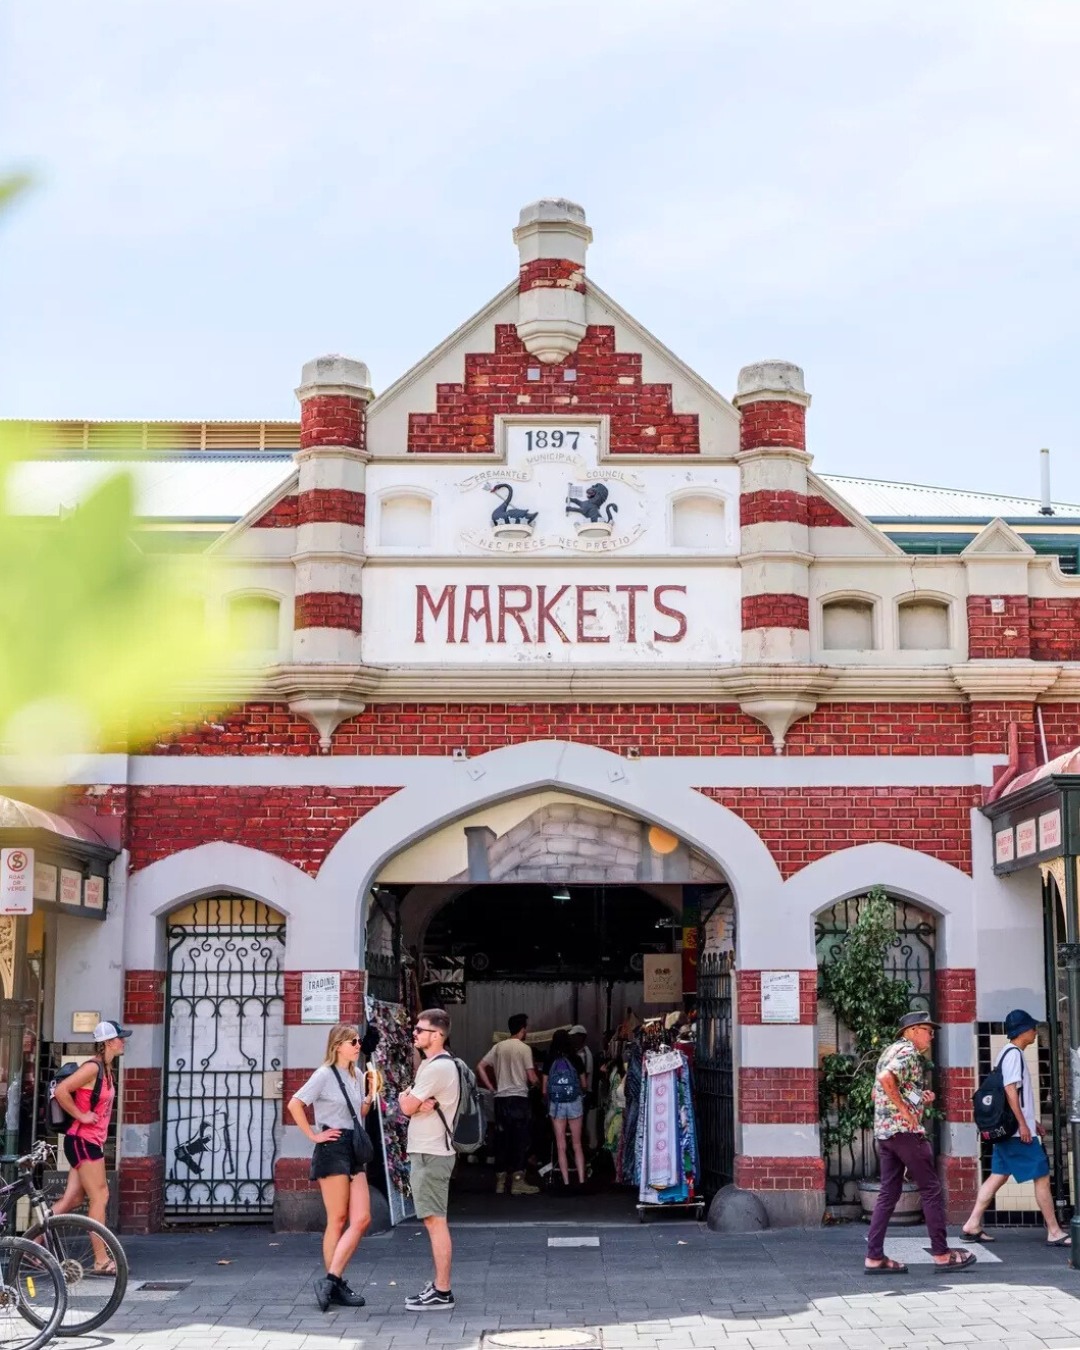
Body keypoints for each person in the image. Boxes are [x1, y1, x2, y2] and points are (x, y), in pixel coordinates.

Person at [864, 1011, 976, 1274]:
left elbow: (878, 1091)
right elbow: (885, 1081)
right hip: (905, 1133)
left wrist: (918, 1097)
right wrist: (906, 1113)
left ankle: (874, 1257)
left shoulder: (890, 1051)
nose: (932, 1035)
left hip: (886, 1133)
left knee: (888, 1193)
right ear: (912, 1030)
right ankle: (941, 1254)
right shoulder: (908, 1052)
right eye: (928, 1029)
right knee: (931, 1189)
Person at [961, 1008, 1070, 1247]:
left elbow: (1014, 1097)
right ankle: (1053, 1230)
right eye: (1032, 1028)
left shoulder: (1007, 1054)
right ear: (1023, 1031)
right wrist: (1023, 1126)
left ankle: (972, 1224)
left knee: (997, 1176)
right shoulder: (1013, 1055)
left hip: (1013, 1131)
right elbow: (1010, 1091)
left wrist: (1033, 1122)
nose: (1034, 1031)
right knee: (1041, 1175)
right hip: (1016, 1134)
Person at [287, 1022, 374, 1311]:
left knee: (361, 1219)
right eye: (352, 1041)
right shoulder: (324, 1074)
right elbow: (295, 1104)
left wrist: (370, 1096)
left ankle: (331, 1281)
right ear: (337, 1045)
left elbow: (358, 1113)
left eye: (358, 1041)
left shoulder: (357, 1074)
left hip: (353, 1148)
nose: (357, 1045)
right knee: (337, 1219)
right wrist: (314, 1135)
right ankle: (335, 1283)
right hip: (332, 1147)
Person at [52, 1019, 131, 1275]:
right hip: (83, 1141)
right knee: (100, 1196)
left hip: (88, 1141)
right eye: (120, 1038)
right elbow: (62, 1090)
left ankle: (30, 1245)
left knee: (73, 1199)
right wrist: (82, 1115)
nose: (123, 1041)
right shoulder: (93, 1068)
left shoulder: (107, 1069)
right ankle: (100, 1260)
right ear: (108, 1042)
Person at [399, 1008, 460, 1311]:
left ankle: (443, 1291)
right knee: (433, 1219)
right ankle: (439, 1286)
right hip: (429, 1150)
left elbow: (406, 1105)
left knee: (435, 1221)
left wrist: (408, 1099)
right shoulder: (431, 1064)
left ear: (437, 1035)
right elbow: (412, 1102)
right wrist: (411, 1100)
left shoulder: (437, 1068)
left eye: (420, 1030)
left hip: (432, 1152)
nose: (415, 1034)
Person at [476, 1013, 539, 1195]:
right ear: (522, 1029)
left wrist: (492, 1087)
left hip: (501, 1100)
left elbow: (480, 1066)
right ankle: (518, 1181)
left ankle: (500, 1182)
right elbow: (531, 1076)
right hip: (519, 1099)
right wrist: (537, 1084)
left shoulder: (498, 1048)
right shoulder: (524, 1049)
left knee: (502, 1140)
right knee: (520, 1140)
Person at [543, 1028, 588, 1190]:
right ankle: (582, 1180)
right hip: (575, 1102)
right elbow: (584, 1085)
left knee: (561, 1144)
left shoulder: (549, 1060)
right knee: (577, 1144)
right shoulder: (576, 1059)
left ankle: (566, 1182)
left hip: (557, 1105)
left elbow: (544, 1089)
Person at [569, 1024, 598, 1150]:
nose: (572, 1039)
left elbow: (584, 1077)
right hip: (579, 1094)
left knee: (580, 1125)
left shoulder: (586, 1054)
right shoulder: (577, 1053)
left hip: (583, 1095)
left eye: (574, 1036)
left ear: (581, 1037)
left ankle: (583, 1152)